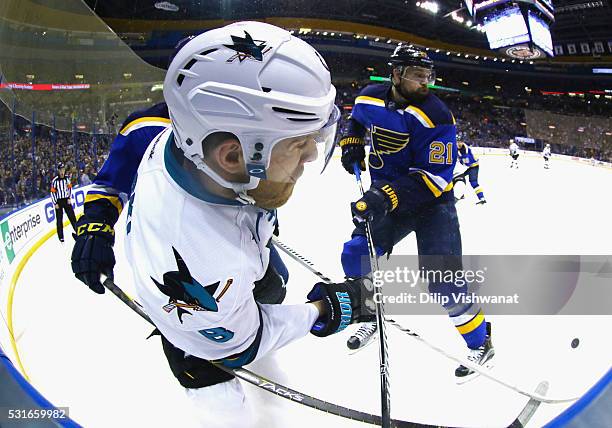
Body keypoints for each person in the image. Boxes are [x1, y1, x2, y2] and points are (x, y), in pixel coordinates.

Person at [74, 21, 372, 427]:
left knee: (271, 282)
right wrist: (325, 309)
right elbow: (240, 344)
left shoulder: (196, 140)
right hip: (203, 309)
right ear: (231, 154)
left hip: (231, 253)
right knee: (219, 395)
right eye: (297, 142)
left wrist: (258, 217)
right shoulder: (207, 258)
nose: (310, 156)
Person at [338, 45, 493, 381]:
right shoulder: (369, 96)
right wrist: (352, 140)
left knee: (442, 282)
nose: (426, 82)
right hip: (387, 198)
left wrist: (383, 195)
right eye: (417, 75)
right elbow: (357, 119)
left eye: (428, 75)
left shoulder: (437, 116)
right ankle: (367, 315)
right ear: (395, 73)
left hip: (431, 203)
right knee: (355, 253)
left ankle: (481, 341)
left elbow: (436, 179)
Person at [454, 136, 486, 204]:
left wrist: (461, 161)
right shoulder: (458, 149)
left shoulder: (467, 150)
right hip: (468, 167)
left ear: (462, 142)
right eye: (457, 142)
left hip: (473, 167)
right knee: (458, 178)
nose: (458, 143)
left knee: (473, 182)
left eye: (460, 142)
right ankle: (461, 194)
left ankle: (482, 198)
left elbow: (467, 162)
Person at [50, 163, 77, 242]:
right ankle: (61, 237)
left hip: (66, 200)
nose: (62, 171)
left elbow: (70, 188)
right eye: (60, 170)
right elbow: (52, 192)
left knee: (72, 216)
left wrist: (69, 197)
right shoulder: (55, 181)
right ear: (58, 171)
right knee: (59, 220)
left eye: (63, 170)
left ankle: (77, 231)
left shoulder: (66, 179)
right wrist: (55, 203)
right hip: (59, 201)